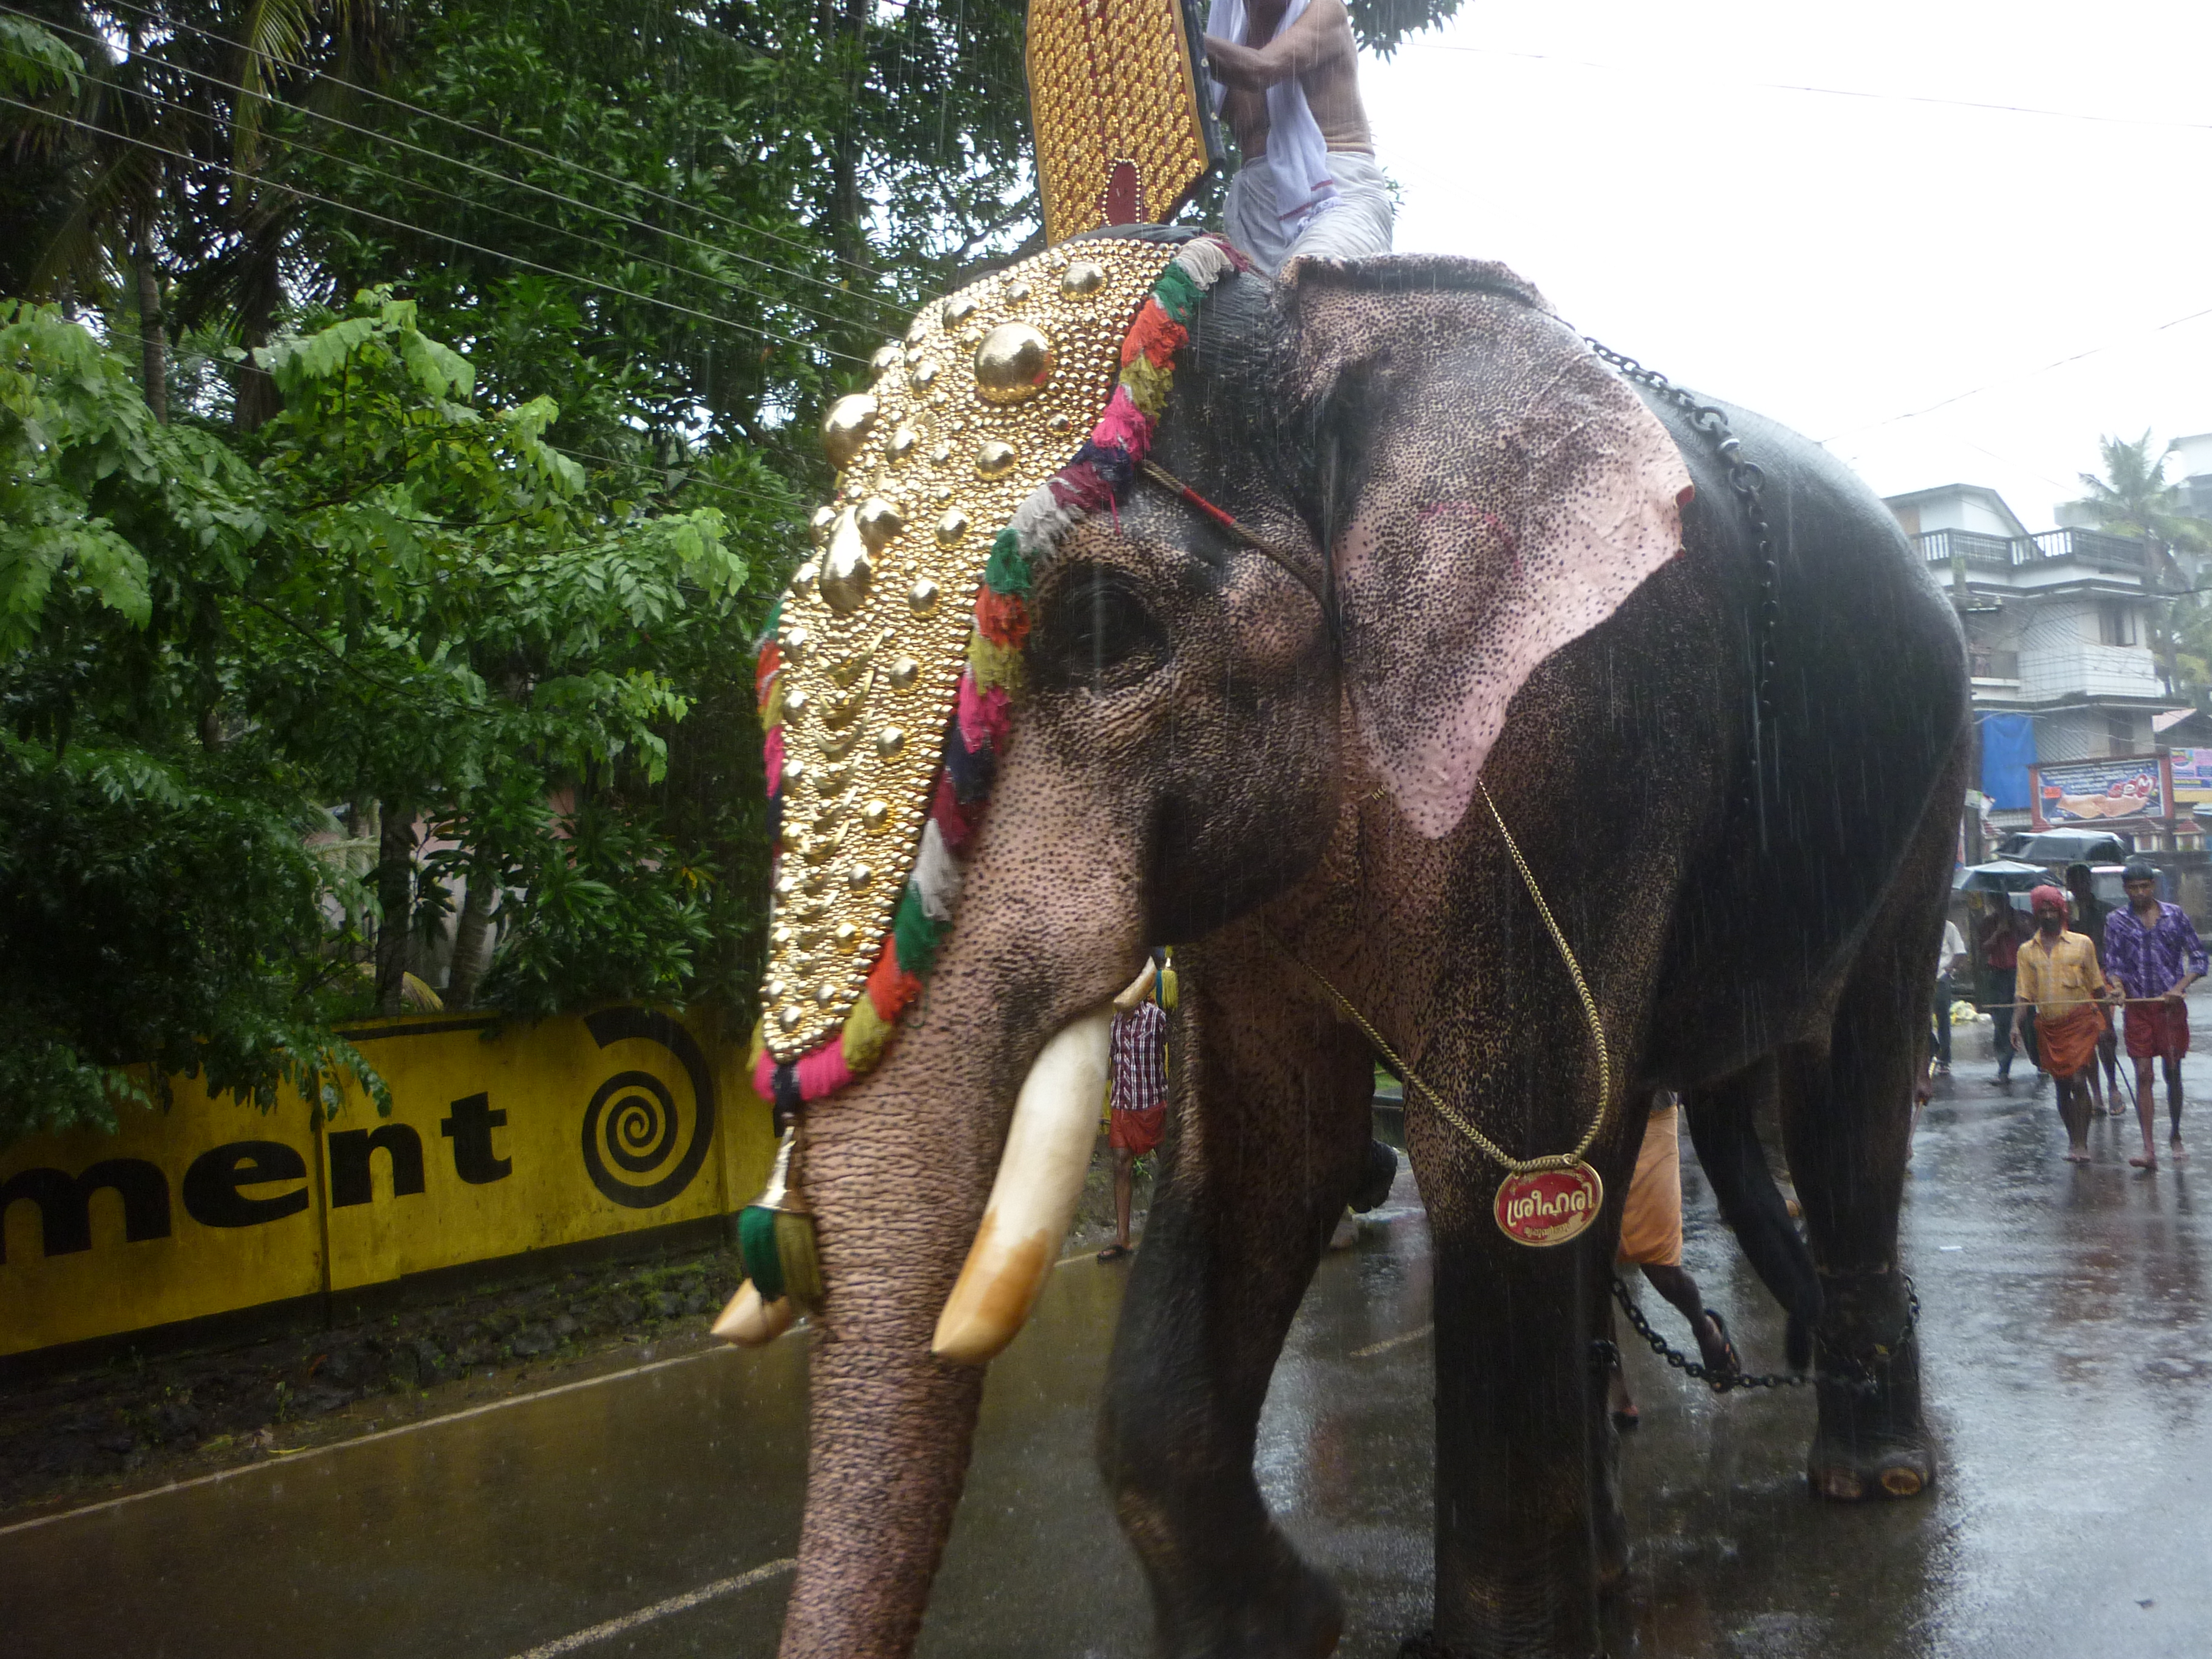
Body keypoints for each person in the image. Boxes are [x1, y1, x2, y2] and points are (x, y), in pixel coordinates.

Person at [1202, 0, 1393, 276]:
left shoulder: (1326, 10)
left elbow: (1261, 69)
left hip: (1338, 196)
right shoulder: (1221, 42)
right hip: (1257, 213)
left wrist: (1178, 32)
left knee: (1312, 282)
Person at [1606, 1094, 1738, 1428]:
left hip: (1648, 1114)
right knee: (1591, 1271)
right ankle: (1616, 1390)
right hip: (1582, 1121)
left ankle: (1703, 1326)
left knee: (1660, 1265)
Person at [2102, 862, 2206, 1171]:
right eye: (2133, 888)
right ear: (2125, 890)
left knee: (2172, 1072)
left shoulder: (2175, 915)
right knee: (2143, 1075)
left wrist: (2179, 988)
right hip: (2137, 1007)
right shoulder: (2116, 921)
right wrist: (2118, 988)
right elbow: (2113, 964)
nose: (2139, 893)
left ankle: (2175, 1133)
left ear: (2153, 886)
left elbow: (2199, 959)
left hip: (2170, 1008)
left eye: (2144, 887)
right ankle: (2148, 1147)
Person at [2013, 883, 2111, 1164]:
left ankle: (2082, 1143)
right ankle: (2072, 1138)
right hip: (2049, 1026)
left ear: (2061, 911)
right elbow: (2023, 993)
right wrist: (2014, 1025)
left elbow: (2097, 986)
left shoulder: (2082, 944)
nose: (2047, 915)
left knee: (2079, 1081)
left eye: (2051, 910)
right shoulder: (2026, 952)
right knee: (2062, 1085)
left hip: (2080, 1023)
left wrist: (2108, 1019)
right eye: (2041, 911)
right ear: (2036, 914)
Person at [1099, 954, 1170, 1262]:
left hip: (1153, 1104)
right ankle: (1123, 1239)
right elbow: (1112, 1064)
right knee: (1120, 1163)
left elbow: (1176, 1050)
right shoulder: (1114, 1021)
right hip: (1124, 1105)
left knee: (1168, 1167)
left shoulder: (1156, 1018)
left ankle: (1172, 1233)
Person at [2066, 862, 2122, 1113]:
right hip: (2075, 981)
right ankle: (2097, 1094)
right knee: (2087, 1039)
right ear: (2069, 886)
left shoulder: (2107, 913)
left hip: (2102, 974)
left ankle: (2112, 1086)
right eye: (2074, 883)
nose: (2079, 887)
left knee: (2105, 1036)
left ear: (2089, 883)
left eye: (2083, 882)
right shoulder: (2064, 915)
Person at [1982, 899, 2036, 1086]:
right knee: (2002, 1022)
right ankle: (2003, 1069)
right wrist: (1999, 932)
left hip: (2022, 972)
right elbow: (1984, 948)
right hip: (1999, 976)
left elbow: (2037, 940)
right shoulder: (1989, 922)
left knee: (2029, 1019)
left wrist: (2021, 927)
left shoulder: (2025, 918)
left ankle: (2040, 1062)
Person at [1931, 914, 1967, 1076]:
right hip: (1923, 980)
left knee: (1943, 1019)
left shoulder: (1948, 927)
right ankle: (1933, 1050)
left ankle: (1945, 1060)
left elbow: (1960, 952)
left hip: (1941, 978)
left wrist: (1949, 969)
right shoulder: (1922, 926)